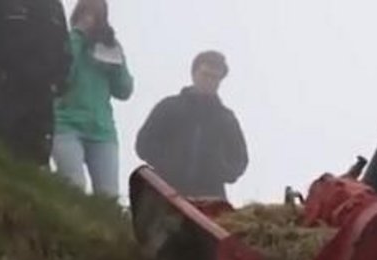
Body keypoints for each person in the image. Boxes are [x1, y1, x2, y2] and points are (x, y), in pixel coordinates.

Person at [135, 50, 248, 200]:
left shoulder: (226, 119)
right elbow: (144, 144)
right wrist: (166, 163)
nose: (209, 81)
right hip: (166, 194)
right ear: (194, 74)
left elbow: (239, 158)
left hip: (210, 199)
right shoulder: (169, 107)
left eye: (215, 77)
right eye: (205, 74)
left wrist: (221, 171)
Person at [51, 0, 132, 197]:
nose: (91, 19)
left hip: (102, 131)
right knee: (74, 185)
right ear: (78, 15)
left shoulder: (108, 47)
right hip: (66, 124)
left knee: (109, 196)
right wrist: (78, 37)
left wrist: (117, 63)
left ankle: (103, 228)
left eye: (97, 15)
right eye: (87, 13)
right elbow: (62, 76)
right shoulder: (66, 40)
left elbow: (124, 91)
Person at [0, 0, 72, 166]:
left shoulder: (54, 6)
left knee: (34, 162)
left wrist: (59, 82)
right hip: (5, 94)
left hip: (42, 98)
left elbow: (65, 47)